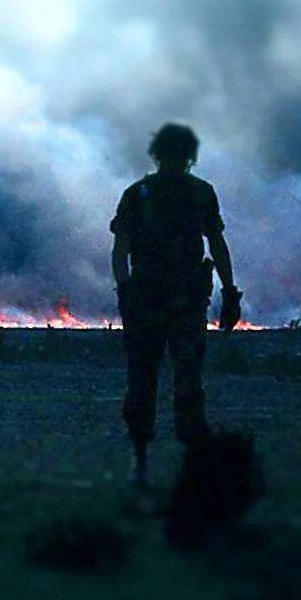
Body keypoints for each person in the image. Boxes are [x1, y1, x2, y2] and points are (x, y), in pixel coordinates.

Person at [111, 123, 243, 484]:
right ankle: (156, 459)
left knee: (152, 378)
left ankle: (148, 460)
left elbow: (120, 251)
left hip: (167, 299)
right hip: (168, 299)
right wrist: (228, 290)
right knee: (174, 378)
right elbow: (216, 245)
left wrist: (124, 290)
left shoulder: (141, 193)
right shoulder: (183, 193)